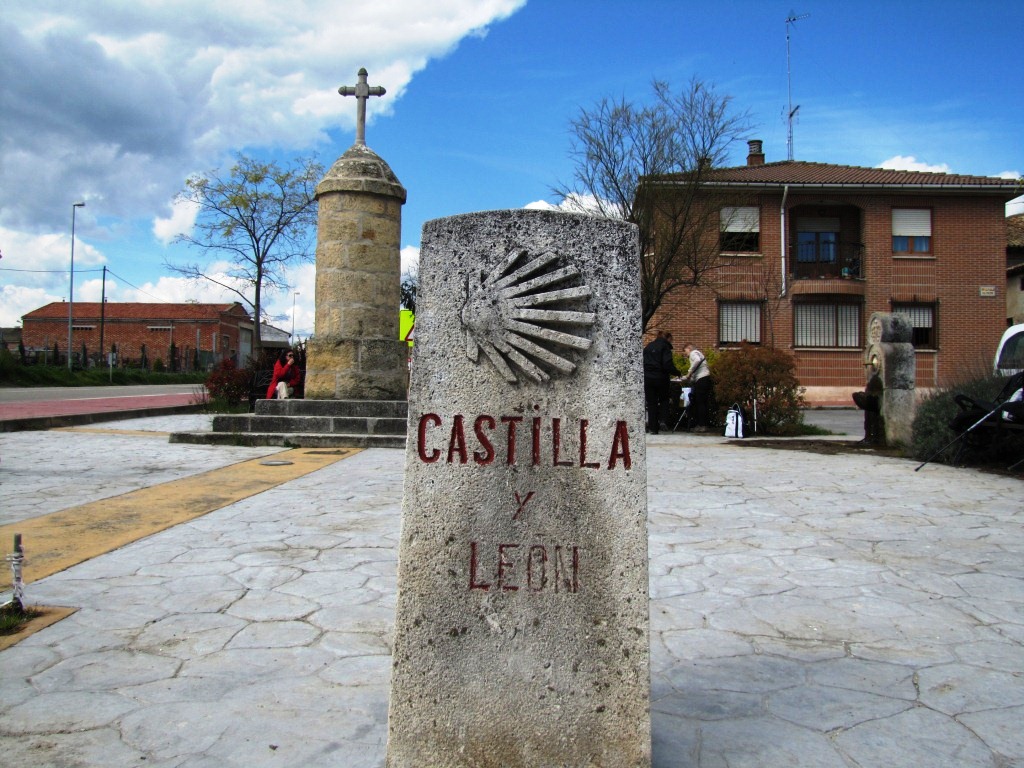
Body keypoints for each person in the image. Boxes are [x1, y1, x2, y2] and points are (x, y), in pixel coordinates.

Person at [643, 331, 680, 434]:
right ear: (668, 338)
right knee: (664, 400)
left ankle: (652, 427)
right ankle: (663, 420)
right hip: (661, 378)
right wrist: (676, 372)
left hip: (648, 378)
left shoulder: (648, 346)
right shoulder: (665, 347)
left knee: (651, 403)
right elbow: (667, 363)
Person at [682, 343, 712, 432]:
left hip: (701, 379)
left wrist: (689, 372)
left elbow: (697, 361)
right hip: (705, 378)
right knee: (703, 403)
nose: (686, 354)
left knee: (700, 403)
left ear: (689, 348)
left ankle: (702, 425)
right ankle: (704, 424)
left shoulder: (693, 353)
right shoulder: (700, 353)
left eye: (685, 351)